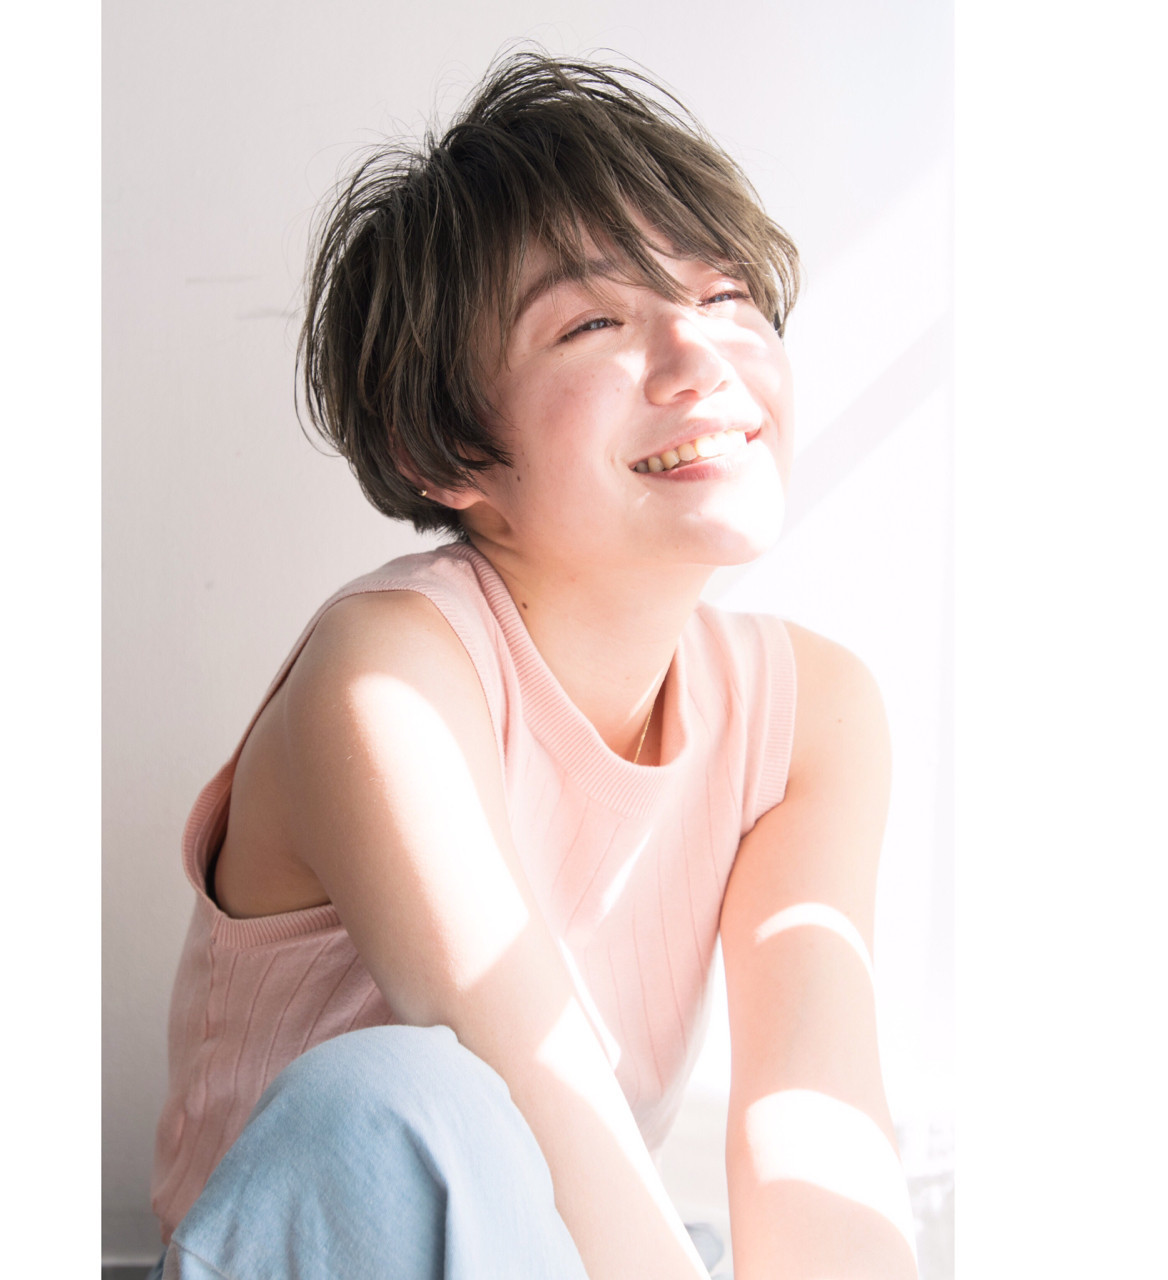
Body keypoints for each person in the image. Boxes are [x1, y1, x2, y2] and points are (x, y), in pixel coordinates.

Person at [147, 49, 919, 1280]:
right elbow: (539, 1096)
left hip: (562, 1249)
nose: (699, 355)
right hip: (354, 1238)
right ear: (444, 449)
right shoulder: (388, 675)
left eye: (723, 293)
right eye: (594, 321)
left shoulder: (813, 713)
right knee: (396, 1097)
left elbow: (813, 1153)